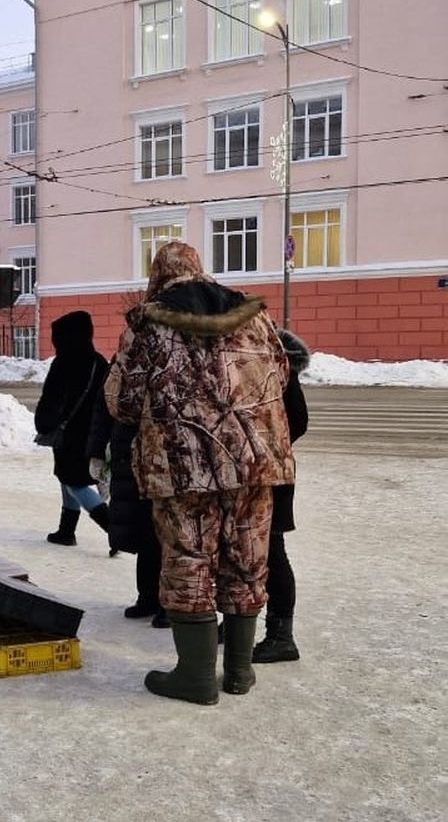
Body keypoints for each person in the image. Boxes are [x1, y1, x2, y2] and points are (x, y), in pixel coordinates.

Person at [105, 242, 294, 705]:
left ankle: (195, 677)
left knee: (190, 559)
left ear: (159, 276)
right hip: (256, 461)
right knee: (247, 558)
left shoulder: (148, 326)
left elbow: (122, 401)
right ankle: (239, 671)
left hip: (183, 465)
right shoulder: (255, 317)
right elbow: (282, 377)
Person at [34, 310, 116, 554]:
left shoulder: (64, 362)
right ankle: (66, 531)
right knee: (68, 478)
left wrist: (44, 423)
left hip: (69, 435)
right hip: (94, 434)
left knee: (75, 483)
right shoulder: (99, 362)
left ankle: (111, 527)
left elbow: (51, 398)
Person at [87, 390, 169, 628]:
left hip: (167, 455)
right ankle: (148, 597)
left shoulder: (176, 356)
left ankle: (170, 603)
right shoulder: (124, 361)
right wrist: (96, 450)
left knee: (169, 534)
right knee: (142, 529)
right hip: (129, 453)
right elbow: (104, 405)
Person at [254, 329, 310, 663]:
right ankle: (235, 621)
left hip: (271, 475)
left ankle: (280, 635)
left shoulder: (277, 366)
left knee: (272, 552)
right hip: (253, 475)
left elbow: (298, 421)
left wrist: (265, 445)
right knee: (240, 553)